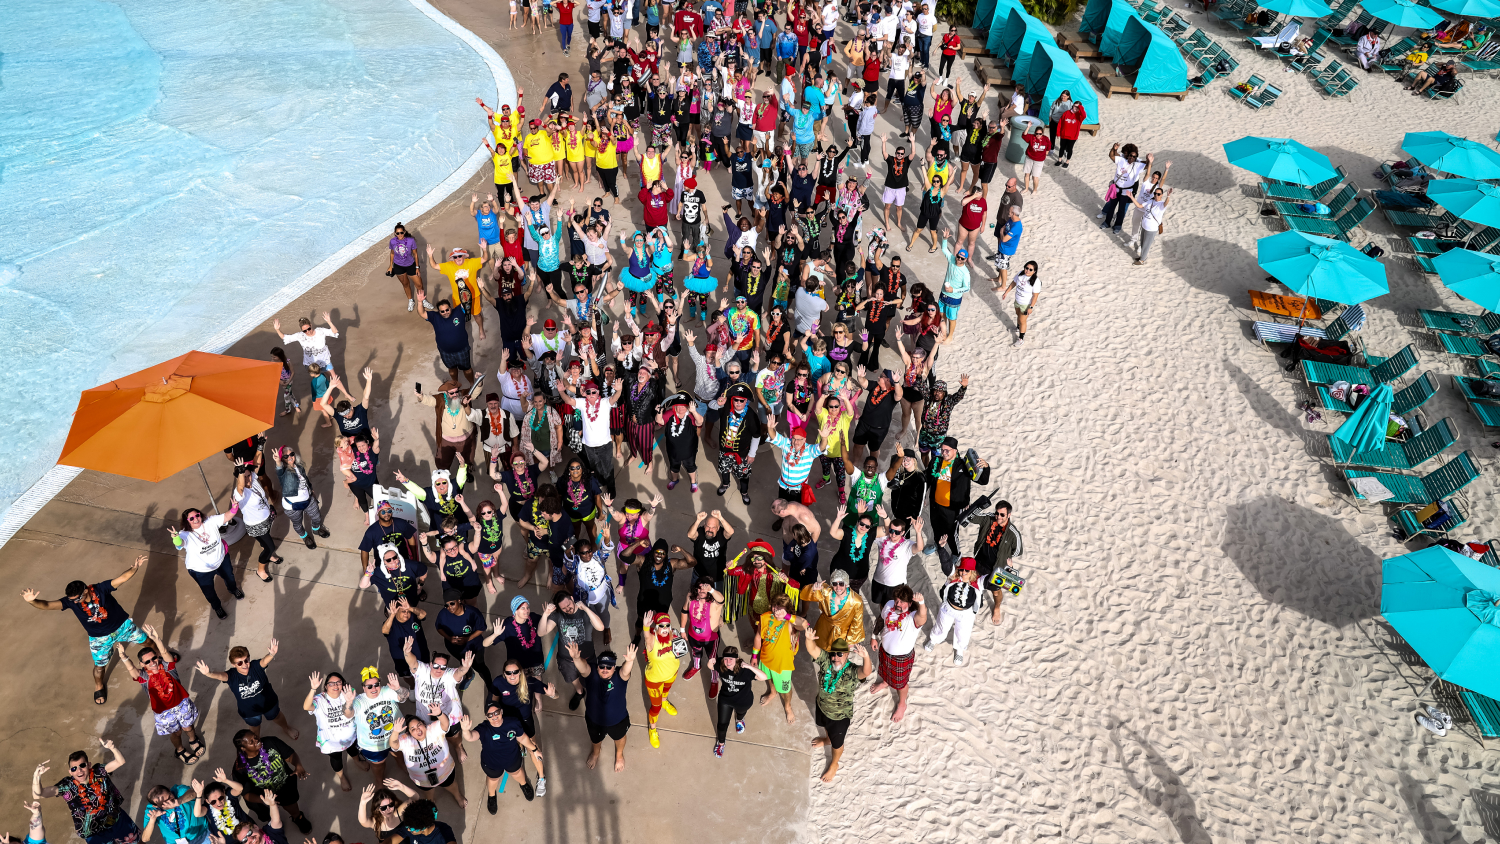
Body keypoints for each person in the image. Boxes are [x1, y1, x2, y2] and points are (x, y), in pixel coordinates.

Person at [21, 554, 149, 704]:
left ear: (86, 591)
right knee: (99, 666)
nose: (75, 602)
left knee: (148, 642)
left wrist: (134, 567)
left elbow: (122, 578)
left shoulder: (101, 589)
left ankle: (162, 658)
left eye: (77, 598)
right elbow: (47, 605)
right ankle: (99, 685)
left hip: (122, 626)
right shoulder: (71, 602)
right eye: (72, 600)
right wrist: (32, 601)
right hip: (99, 637)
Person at [115, 624, 205, 764]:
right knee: (176, 733)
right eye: (147, 661)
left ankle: (193, 740)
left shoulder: (168, 667)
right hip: (164, 712)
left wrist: (156, 639)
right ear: (142, 664)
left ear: (157, 657)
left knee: (188, 726)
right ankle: (180, 750)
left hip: (181, 704)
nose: (152, 662)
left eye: (154, 658)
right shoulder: (144, 677)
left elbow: (164, 652)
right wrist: (123, 656)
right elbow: (132, 669)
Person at [35, 742, 137, 844]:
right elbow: (39, 794)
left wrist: (113, 748)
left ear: (89, 765)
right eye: (74, 768)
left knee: (137, 841)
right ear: (70, 772)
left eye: (82, 765)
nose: (79, 771)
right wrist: (37, 777)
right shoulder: (67, 786)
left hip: (116, 819)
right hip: (93, 833)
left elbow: (120, 761)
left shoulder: (99, 771)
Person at [196, 640, 299, 739]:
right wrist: (209, 673)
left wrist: (271, 654)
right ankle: (257, 740)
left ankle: (286, 728)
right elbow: (220, 676)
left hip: (269, 703)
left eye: (246, 660)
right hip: (249, 711)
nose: (245, 665)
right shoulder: (232, 676)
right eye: (239, 663)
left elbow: (264, 661)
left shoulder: (255, 666)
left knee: (277, 716)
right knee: (254, 727)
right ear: (233, 664)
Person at [804, 634, 872, 782]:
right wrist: (808, 638)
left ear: (847, 654)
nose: (835, 657)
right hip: (822, 706)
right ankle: (827, 739)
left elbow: (866, 672)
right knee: (825, 727)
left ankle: (834, 764)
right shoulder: (826, 661)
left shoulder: (852, 670)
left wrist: (866, 657)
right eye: (833, 654)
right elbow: (812, 649)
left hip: (840, 717)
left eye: (840, 654)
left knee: (838, 744)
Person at [461, 704, 545, 812]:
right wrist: (465, 730)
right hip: (492, 764)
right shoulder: (484, 728)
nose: (494, 717)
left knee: (517, 773)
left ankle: (524, 785)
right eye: (490, 715)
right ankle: (491, 796)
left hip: (512, 759)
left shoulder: (513, 722)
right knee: (493, 779)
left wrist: (534, 750)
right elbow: (471, 737)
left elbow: (522, 738)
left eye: (496, 712)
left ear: (501, 712)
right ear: (487, 717)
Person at [569, 642, 637, 771]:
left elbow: (625, 671)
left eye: (609, 666)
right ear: (597, 667)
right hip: (594, 720)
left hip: (618, 720)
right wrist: (576, 659)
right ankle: (596, 753)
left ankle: (619, 755)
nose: (605, 669)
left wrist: (629, 661)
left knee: (620, 738)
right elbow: (583, 668)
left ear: (614, 668)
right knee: (595, 739)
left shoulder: (620, 676)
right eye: (602, 666)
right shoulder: (591, 674)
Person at [166, 507, 243, 620]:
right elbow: (180, 543)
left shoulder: (210, 521)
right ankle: (217, 607)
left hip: (221, 560)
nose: (196, 519)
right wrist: (176, 537)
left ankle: (233, 589)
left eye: (197, 515)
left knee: (230, 577)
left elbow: (227, 516)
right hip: (200, 570)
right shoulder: (185, 534)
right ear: (187, 521)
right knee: (209, 591)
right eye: (191, 518)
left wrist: (234, 508)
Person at [229, 731, 312, 832]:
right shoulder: (239, 768)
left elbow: (290, 755)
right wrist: (264, 800)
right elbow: (246, 794)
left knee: (292, 806)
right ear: (243, 748)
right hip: (262, 795)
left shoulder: (270, 742)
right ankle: (272, 820)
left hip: (284, 784)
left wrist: (298, 765)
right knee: (266, 814)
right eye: (251, 742)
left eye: (255, 737)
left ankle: (298, 817)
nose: (256, 740)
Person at [926, 436, 992, 560]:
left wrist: (986, 467)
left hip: (953, 508)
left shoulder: (964, 465)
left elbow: (983, 481)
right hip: (935, 505)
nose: (944, 453)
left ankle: (956, 554)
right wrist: (924, 495)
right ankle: (937, 544)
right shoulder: (936, 461)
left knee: (952, 533)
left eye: (947, 450)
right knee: (936, 527)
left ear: (955, 451)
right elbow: (928, 478)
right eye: (942, 450)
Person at [868, 584, 926, 721]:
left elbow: (922, 617)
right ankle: (885, 682)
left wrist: (922, 602)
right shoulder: (889, 605)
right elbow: (881, 619)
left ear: (910, 603)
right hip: (884, 651)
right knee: (884, 671)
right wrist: (874, 636)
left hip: (901, 658)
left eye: (902, 602)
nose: (898, 604)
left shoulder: (912, 617)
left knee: (901, 684)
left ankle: (902, 704)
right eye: (897, 600)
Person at [302, 671, 366, 792]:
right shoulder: (319, 699)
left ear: (343, 684)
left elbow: (358, 709)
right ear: (326, 686)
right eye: (331, 683)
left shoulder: (348, 693)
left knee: (353, 749)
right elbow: (306, 707)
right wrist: (313, 689)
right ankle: (341, 776)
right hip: (331, 742)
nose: (335, 685)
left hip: (351, 736)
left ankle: (357, 761)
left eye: (338, 682)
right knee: (336, 759)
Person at [346, 667, 409, 787]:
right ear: (363, 687)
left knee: (399, 755)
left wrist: (398, 689)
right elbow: (348, 714)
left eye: (376, 685)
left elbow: (404, 696)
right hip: (373, 745)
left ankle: (402, 765)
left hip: (396, 735)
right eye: (369, 686)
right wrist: (349, 702)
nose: (374, 688)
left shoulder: (386, 691)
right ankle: (379, 781)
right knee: (378, 765)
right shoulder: (358, 701)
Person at [391, 710, 466, 809]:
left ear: (424, 724)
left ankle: (458, 796)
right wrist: (395, 732)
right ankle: (430, 801)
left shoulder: (433, 729)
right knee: (428, 792)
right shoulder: (406, 740)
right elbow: (394, 745)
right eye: (413, 729)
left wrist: (439, 714)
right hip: (422, 780)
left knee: (451, 784)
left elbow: (445, 724)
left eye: (419, 725)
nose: (417, 729)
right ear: (409, 733)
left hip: (446, 772)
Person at [710, 646, 767, 758]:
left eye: (731, 659)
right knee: (721, 725)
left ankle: (739, 719)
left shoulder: (745, 670)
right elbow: (711, 666)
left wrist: (749, 666)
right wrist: (710, 662)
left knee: (741, 713)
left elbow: (763, 677)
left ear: (737, 659)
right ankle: (721, 743)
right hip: (725, 700)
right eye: (726, 659)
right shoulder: (721, 665)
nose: (728, 662)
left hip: (743, 700)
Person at [973, 500, 1023, 626]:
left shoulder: (1013, 533)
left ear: (1009, 515)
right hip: (980, 561)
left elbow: (1018, 551)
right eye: (997, 513)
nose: (998, 517)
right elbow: (973, 518)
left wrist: (1006, 556)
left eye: (1002, 514)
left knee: (996, 591)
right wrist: (973, 508)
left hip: (997, 568)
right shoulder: (989, 519)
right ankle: (977, 599)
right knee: (975, 583)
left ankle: (996, 607)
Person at [271, 446, 330, 550]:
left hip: (308, 499)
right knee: (298, 524)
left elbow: (305, 479)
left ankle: (316, 530)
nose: (290, 457)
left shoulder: (299, 466)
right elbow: (279, 468)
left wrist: (311, 490)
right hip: (292, 506)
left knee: (317, 517)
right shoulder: (283, 472)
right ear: (282, 458)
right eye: (286, 456)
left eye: (291, 454)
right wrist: (277, 461)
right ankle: (305, 537)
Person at [927, 557, 982, 665]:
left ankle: (959, 650)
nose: (963, 572)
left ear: (972, 572)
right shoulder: (953, 578)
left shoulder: (978, 583)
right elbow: (945, 565)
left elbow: (991, 583)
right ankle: (933, 640)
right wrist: (941, 549)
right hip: (948, 608)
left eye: (967, 570)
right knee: (941, 626)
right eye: (961, 569)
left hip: (965, 613)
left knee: (963, 632)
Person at [414, 290, 476, 387]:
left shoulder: (459, 311)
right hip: (445, 352)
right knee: (452, 370)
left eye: (447, 310)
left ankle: (472, 384)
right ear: (439, 311)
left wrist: (462, 285)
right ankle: (455, 384)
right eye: (442, 311)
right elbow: (421, 313)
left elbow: (467, 299)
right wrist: (419, 302)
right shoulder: (435, 317)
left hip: (462, 350)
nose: (445, 312)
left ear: (450, 308)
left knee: (467, 369)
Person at [800, 568, 867, 651]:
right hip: (823, 628)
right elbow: (806, 595)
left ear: (846, 584)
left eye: (841, 584)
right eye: (835, 584)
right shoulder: (826, 591)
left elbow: (857, 622)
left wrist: (851, 641)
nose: (838, 587)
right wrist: (813, 589)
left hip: (842, 633)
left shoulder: (856, 601)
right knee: (819, 649)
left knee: (836, 654)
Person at [1099, 143, 1150, 235]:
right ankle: (1106, 223)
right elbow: (1111, 156)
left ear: (1136, 158)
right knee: (1112, 206)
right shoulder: (1121, 160)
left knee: (1121, 209)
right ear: (1128, 155)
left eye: (1134, 157)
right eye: (1130, 155)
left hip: (1126, 191)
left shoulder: (1137, 165)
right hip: (1116, 189)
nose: (1131, 157)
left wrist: (1149, 160)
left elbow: (1147, 166)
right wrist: (1113, 148)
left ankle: (1117, 226)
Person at [139, 781, 208, 844]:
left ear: (170, 790)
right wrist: (152, 819)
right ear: (156, 806)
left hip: (201, 835)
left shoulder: (179, 790)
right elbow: (145, 839)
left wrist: (179, 801)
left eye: (170, 797)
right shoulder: (152, 810)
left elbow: (195, 793)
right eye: (164, 803)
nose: (169, 802)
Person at [1127, 185, 1172, 265]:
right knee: (1142, 243)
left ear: (1161, 195)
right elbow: (1139, 206)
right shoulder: (1150, 201)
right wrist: (1131, 197)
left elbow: (1166, 203)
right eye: (1155, 193)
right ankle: (1141, 257)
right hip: (1144, 226)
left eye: (1158, 194)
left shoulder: (1161, 204)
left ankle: (1142, 260)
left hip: (1151, 228)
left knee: (1146, 245)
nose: (1156, 195)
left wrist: (1168, 196)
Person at [1003, 260, 1040, 346]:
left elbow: (1035, 296)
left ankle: (1021, 339)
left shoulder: (1036, 281)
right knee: (1018, 315)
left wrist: (1031, 307)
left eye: (1030, 269)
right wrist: (1006, 292)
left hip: (1026, 304)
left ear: (1034, 271)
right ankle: (1018, 328)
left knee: (1022, 320)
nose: (1027, 270)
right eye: (1026, 268)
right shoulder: (1020, 274)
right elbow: (1014, 283)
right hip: (1017, 301)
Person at [992, 204, 1022, 292]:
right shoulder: (1011, 219)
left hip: (1007, 249)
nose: (1008, 212)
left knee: (1003, 267)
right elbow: (1005, 225)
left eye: (1009, 211)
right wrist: (1003, 229)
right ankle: (999, 278)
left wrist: (1001, 232)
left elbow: (1004, 239)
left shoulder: (1016, 226)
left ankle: (1003, 286)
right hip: (1003, 247)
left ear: (1013, 213)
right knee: (1000, 264)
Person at [1020, 124, 1052, 194]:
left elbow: (1049, 147)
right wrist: (1028, 127)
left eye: (1040, 134)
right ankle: (1026, 188)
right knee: (1027, 174)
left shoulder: (1046, 139)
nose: (1038, 135)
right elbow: (1024, 135)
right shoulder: (1031, 137)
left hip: (1039, 161)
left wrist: (1046, 153)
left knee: (1035, 177)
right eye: (1037, 133)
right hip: (1029, 158)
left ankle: (1035, 190)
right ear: (1035, 133)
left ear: (1042, 133)